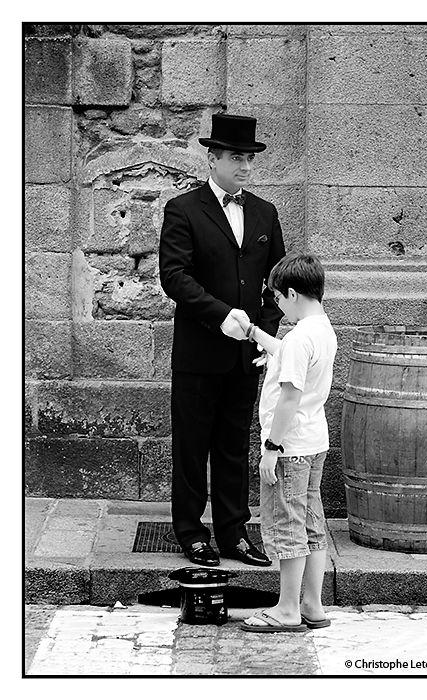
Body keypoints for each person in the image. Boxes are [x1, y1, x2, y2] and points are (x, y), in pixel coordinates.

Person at [159, 113, 286, 568]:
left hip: (246, 354)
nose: (245, 166)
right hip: (199, 352)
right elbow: (174, 277)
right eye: (236, 157)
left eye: (249, 158)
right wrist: (220, 316)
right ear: (211, 159)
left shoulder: (265, 212)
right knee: (192, 447)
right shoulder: (183, 210)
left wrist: (265, 333)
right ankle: (192, 533)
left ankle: (234, 532)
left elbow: (278, 282)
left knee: (234, 444)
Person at [233, 253, 337, 632]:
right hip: (314, 442)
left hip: (289, 447)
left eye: (278, 298)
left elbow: (289, 397)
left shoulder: (297, 337)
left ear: (292, 293)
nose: (277, 305)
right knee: (312, 522)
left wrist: (271, 449)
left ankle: (287, 610)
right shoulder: (321, 329)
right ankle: (313, 605)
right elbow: (288, 359)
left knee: (288, 524)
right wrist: (253, 333)